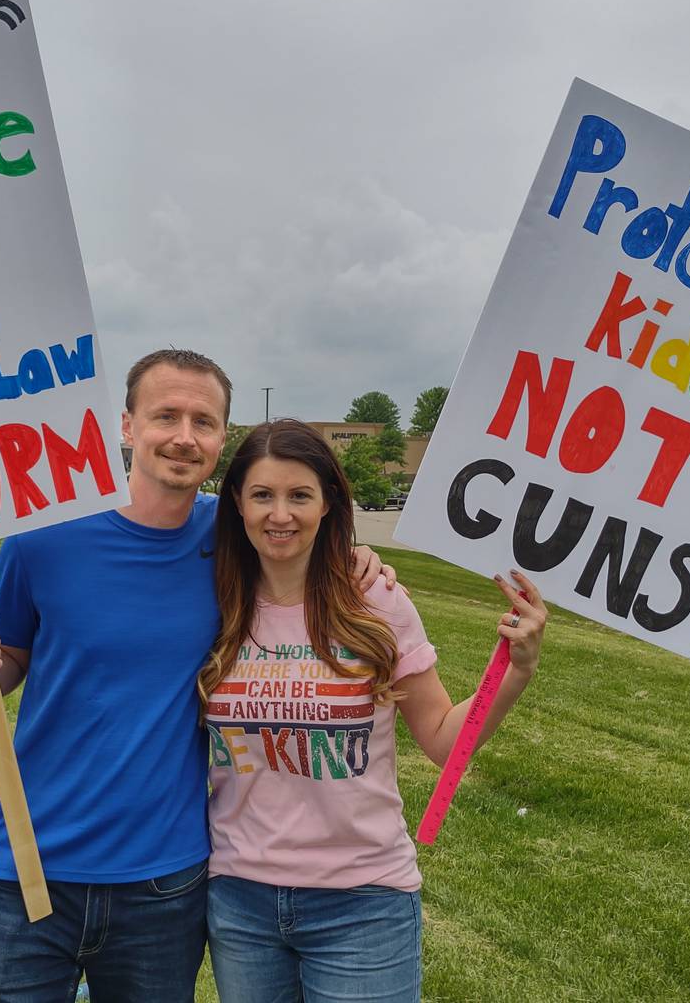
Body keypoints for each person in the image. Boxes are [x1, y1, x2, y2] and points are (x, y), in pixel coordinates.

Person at [0, 350, 395, 1003]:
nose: (184, 435)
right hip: (30, 865)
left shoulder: (235, 538)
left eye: (203, 422)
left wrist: (356, 555)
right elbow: (10, 658)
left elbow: (302, 537)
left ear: (220, 440)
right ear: (126, 426)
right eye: (166, 416)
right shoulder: (42, 536)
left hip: (165, 883)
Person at [201, 420, 546, 1003]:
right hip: (240, 900)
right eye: (262, 495)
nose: (279, 514)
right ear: (237, 502)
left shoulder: (377, 601)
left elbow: (441, 739)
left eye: (299, 495)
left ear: (330, 503)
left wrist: (516, 670)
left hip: (363, 901)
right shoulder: (212, 600)